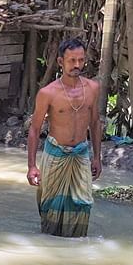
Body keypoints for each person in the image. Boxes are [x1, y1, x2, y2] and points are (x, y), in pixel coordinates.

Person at [26, 38, 102, 237]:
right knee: (49, 204)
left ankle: (76, 242)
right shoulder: (47, 93)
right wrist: (32, 166)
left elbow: (95, 123)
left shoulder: (93, 88)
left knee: (83, 203)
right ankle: (50, 245)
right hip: (55, 153)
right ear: (60, 62)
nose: (77, 65)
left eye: (81, 60)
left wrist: (97, 157)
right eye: (72, 60)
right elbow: (34, 129)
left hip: (81, 153)